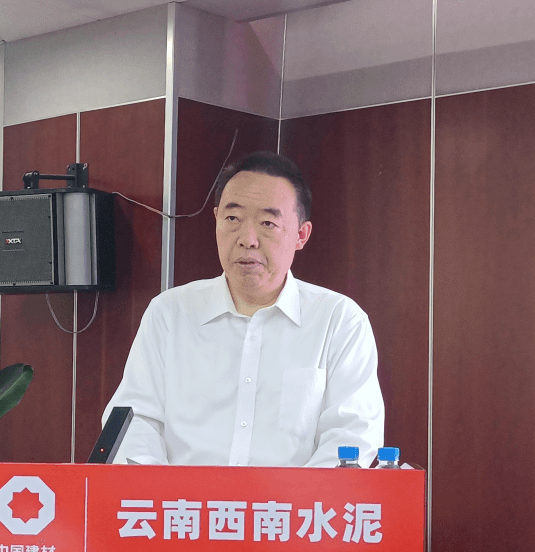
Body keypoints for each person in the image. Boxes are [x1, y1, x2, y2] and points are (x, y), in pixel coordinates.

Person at [102, 151, 383, 467]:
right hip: (181, 499)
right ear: (216, 220)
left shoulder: (340, 321)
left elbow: (351, 437)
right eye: (233, 219)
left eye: (267, 223)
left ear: (301, 235)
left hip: (291, 501)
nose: (247, 239)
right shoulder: (169, 314)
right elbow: (134, 421)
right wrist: (161, 491)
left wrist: (290, 499)